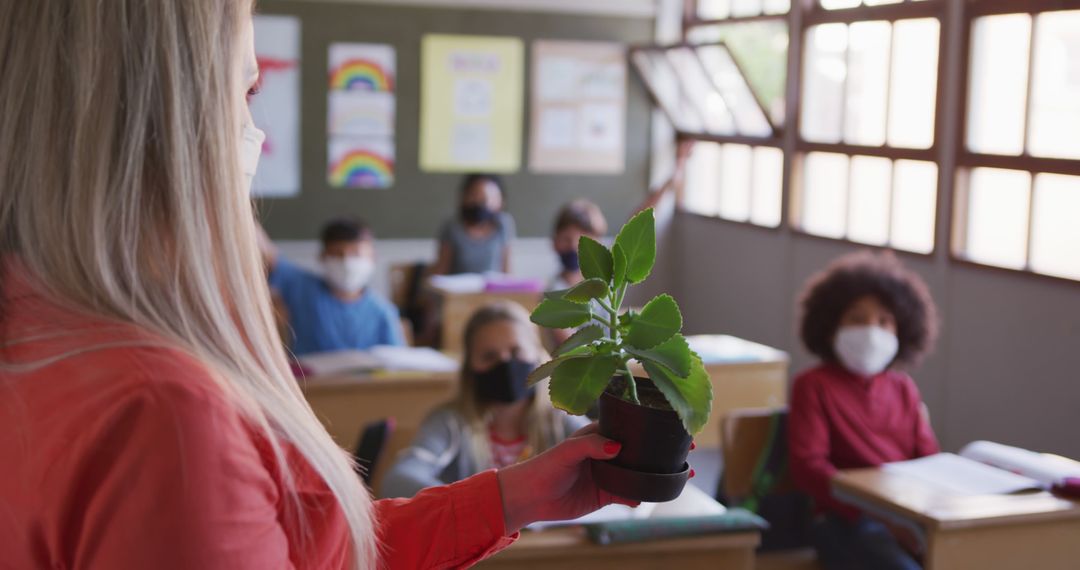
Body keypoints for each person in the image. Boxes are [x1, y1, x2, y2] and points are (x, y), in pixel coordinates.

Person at [0, 2, 636, 568]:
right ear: (170, 118)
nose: (256, 134)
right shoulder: (169, 417)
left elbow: (315, 550)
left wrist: (510, 497)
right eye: (248, 92)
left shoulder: (39, 328)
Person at [788, 251, 941, 570]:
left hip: (906, 516)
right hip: (842, 519)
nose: (872, 331)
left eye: (885, 321)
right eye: (857, 319)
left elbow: (929, 463)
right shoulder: (812, 385)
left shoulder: (903, 389)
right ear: (831, 327)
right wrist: (880, 515)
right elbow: (809, 467)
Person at [382, 302, 588, 498]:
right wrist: (475, 501)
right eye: (489, 356)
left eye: (516, 351)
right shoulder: (451, 422)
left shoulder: (559, 419)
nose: (505, 364)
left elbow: (602, 452)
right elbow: (398, 480)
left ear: (537, 355)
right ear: (470, 368)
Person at [262, 217, 405, 355]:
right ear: (323, 256)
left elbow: (397, 362)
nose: (347, 262)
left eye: (356, 254)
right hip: (309, 379)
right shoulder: (303, 288)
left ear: (372, 257)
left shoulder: (383, 312)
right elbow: (266, 252)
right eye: (338, 254)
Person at [548, 200, 609, 346]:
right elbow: (572, 344)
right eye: (566, 239)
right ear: (554, 242)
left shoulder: (604, 285)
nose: (574, 246)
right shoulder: (554, 292)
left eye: (582, 240)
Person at [431, 173, 516, 275]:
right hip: (458, 289)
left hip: (491, 289)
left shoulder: (503, 224)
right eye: (474, 196)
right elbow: (441, 270)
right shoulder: (452, 227)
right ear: (464, 197)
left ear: (500, 201)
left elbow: (507, 273)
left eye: (486, 199)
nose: (479, 203)